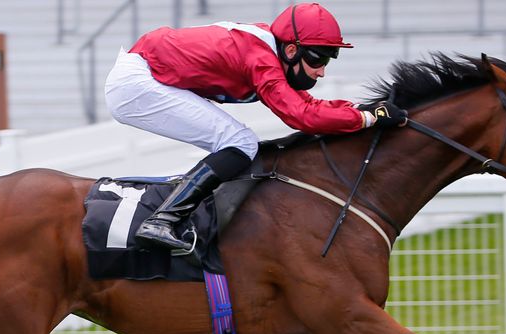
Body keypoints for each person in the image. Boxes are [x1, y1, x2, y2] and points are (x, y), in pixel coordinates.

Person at [104, 2, 407, 254]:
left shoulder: (270, 52)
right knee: (240, 143)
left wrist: (361, 111)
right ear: (291, 51)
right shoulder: (261, 58)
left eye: (330, 58)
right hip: (138, 84)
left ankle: (176, 215)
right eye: (319, 57)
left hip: (145, 74)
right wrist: (369, 118)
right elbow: (302, 117)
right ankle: (161, 222)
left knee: (236, 143)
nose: (322, 70)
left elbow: (307, 104)